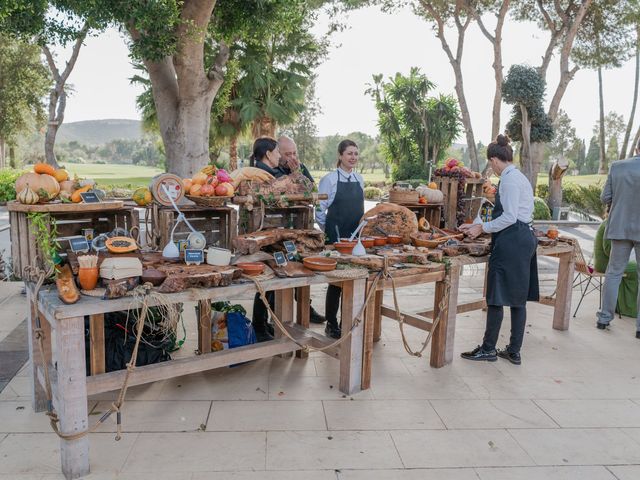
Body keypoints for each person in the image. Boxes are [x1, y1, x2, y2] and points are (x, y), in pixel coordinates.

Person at [458, 134, 539, 365]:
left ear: (494, 160)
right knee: (517, 297)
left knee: (496, 295)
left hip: (513, 239)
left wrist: (481, 228)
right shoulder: (518, 177)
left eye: (491, 164)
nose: (491, 169)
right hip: (522, 238)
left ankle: (488, 348)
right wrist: (479, 223)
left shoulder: (510, 180)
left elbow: (510, 217)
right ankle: (513, 351)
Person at [248, 137, 325, 341]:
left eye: (294, 153)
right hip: (268, 233)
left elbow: (311, 190)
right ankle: (260, 324)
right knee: (268, 279)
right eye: (285, 153)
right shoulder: (266, 173)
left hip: (288, 232)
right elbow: (296, 190)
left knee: (292, 269)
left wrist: (298, 171)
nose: (291, 158)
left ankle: (296, 311)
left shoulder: (289, 168)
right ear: (274, 154)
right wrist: (294, 175)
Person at [316, 139, 365, 339]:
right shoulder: (330, 179)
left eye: (355, 153)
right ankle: (331, 323)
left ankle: (347, 322)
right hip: (336, 236)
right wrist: (329, 231)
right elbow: (319, 210)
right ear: (340, 155)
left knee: (353, 279)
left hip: (355, 236)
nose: (353, 157)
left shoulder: (360, 179)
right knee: (336, 282)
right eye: (349, 154)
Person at [596, 138, 640, 338]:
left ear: (637, 147)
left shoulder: (617, 167)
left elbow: (605, 198)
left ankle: (604, 319)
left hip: (620, 226)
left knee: (613, 273)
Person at [593, 220, 638, 320]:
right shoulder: (609, 224)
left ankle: (606, 316)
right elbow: (609, 250)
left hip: (608, 262)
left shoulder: (610, 222)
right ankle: (629, 309)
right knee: (635, 270)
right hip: (605, 264)